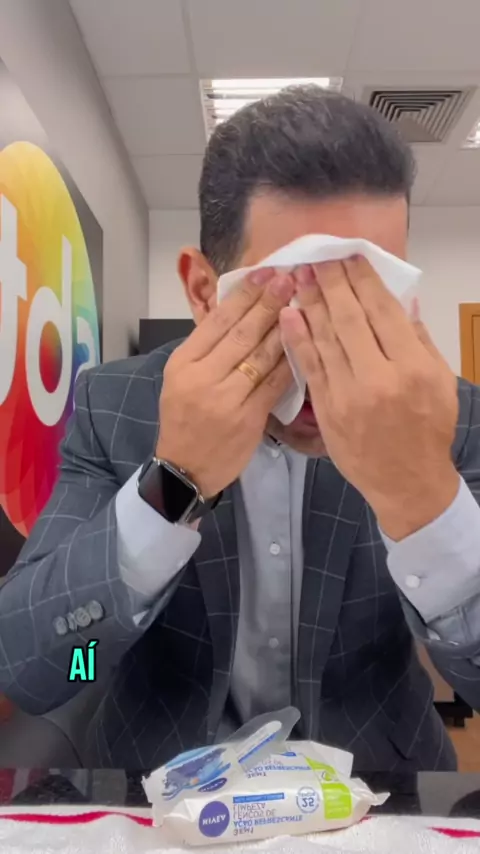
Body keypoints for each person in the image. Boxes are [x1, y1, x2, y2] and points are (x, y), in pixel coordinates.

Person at [2, 86, 480, 772]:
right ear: (204, 292)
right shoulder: (116, 406)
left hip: (381, 786)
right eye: (295, 295)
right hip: (160, 789)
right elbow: (42, 669)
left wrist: (425, 502)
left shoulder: (448, 419)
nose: (326, 346)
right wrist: (173, 487)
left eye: (368, 296)